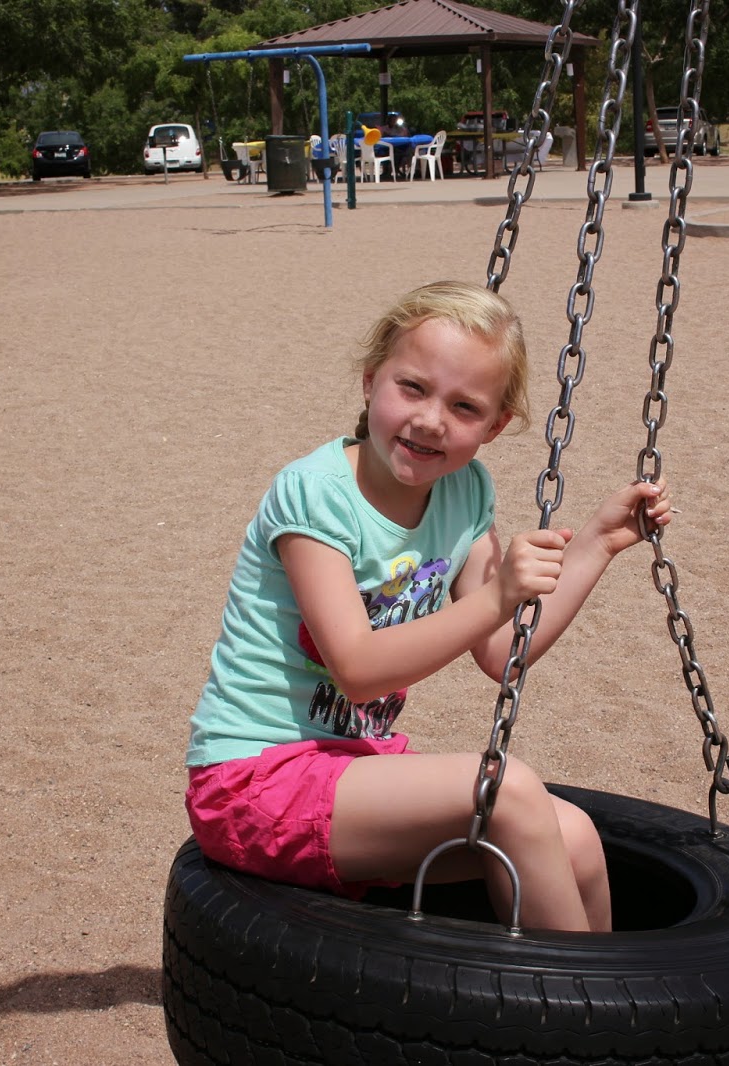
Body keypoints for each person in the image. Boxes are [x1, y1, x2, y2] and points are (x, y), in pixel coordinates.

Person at [184, 280, 671, 933]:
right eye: (412, 388)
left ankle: (604, 993)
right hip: (253, 783)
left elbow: (503, 652)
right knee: (509, 789)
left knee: (575, 836)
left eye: (464, 406)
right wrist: (499, 594)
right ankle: (577, 999)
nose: (431, 420)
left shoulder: (465, 492)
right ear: (370, 381)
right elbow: (358, 669)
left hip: (352, 770)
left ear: (495, 426)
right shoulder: (317, 494)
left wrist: (597, 543)